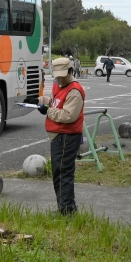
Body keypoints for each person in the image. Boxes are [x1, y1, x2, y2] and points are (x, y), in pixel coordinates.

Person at [33, 57, 85, 215]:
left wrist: (47, 111)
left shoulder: (75, 90)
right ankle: (66, 207)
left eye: (63, 75)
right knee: (59, 172)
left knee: (63, 172)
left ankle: (66, 210)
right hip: (59, 136)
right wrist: (40, 100)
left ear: (70, 71)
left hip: (67, 136)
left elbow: (69, 115)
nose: (60, 78)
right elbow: (55, 101)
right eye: (57, 75)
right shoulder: (60, 85)